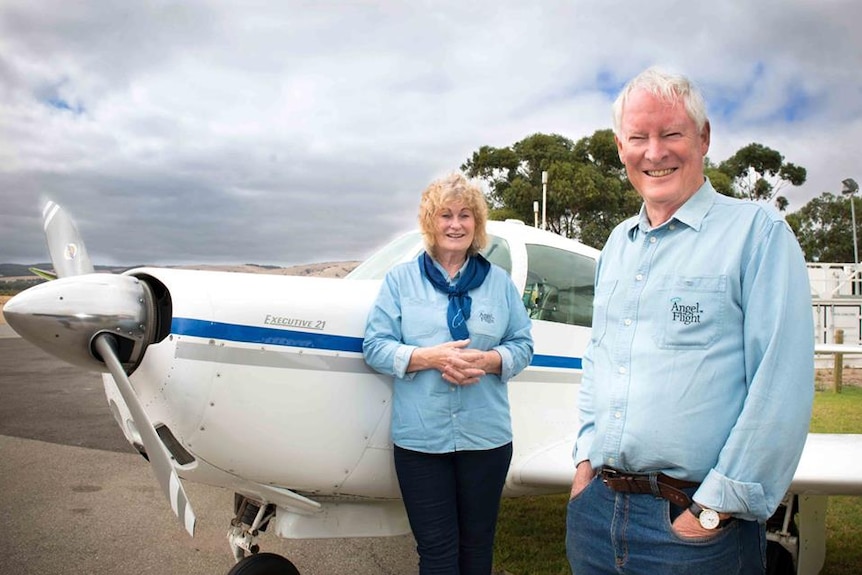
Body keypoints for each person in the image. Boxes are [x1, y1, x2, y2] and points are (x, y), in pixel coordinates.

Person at [566, 66, 814, 574]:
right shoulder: (616, 245)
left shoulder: (757, 234)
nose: (654, 152)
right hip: (596, 516)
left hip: (695, 529)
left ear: (703, 138)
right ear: (620, 147)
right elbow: (599, 361)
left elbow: (781, 384)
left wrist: (711, 510)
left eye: (671, 133)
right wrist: (583, 466)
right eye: (639, 137)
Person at [363, 173, 533, 575]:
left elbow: (523, 345)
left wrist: (489, 361)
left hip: (486, 440)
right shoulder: (400, 281)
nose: (455, 225)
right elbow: (375, 346)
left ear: (477, 224)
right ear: (430, 222)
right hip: (422, 443)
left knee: (477, 550)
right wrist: (429, 358)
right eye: (445, 215)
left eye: (465, 216)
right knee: (437, 553)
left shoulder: (499, 283)